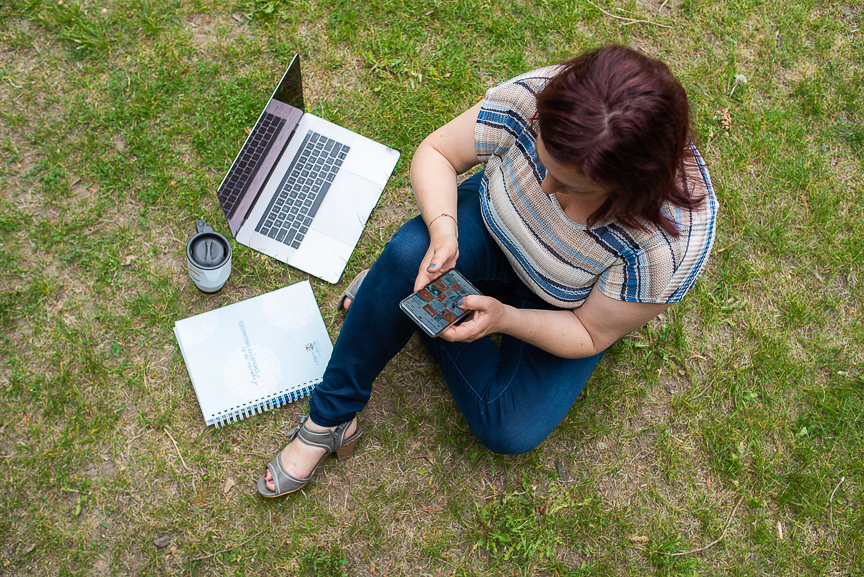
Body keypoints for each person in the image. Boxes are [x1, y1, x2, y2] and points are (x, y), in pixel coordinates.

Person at [258, 45, 718, 497]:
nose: (544, 187)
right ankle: (331, 417)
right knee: (408, 253)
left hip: (564, 305)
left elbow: (590, 333)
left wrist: (506, 320)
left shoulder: (671, 244)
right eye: (542, 162)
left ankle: (395, 301)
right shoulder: (541, 99)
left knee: (510, 425)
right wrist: (444, 231)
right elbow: (438, 152)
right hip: (491, 228)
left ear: (628, 190)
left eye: (570, 186)